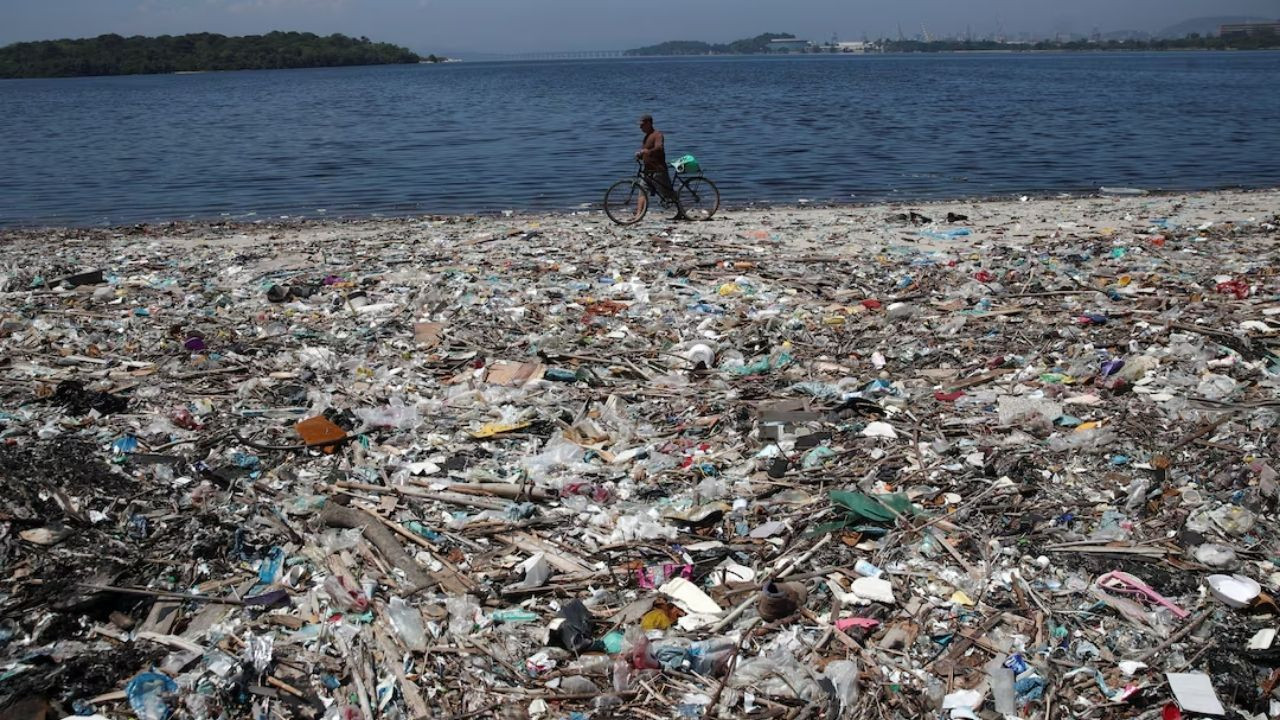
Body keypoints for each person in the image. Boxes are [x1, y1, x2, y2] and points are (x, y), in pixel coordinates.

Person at [635, 114, 683, 216]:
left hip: (658, 170)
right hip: (647, 171)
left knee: (668, 194)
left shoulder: (657, 135)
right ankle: (638, 216)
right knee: (642, 192)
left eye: (642, 125)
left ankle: (681, 212)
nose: (640, 127)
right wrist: (640, 155)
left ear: (649, 123)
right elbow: (646, 152)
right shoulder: (646, 137)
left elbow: (659, 148)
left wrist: (648, 151)